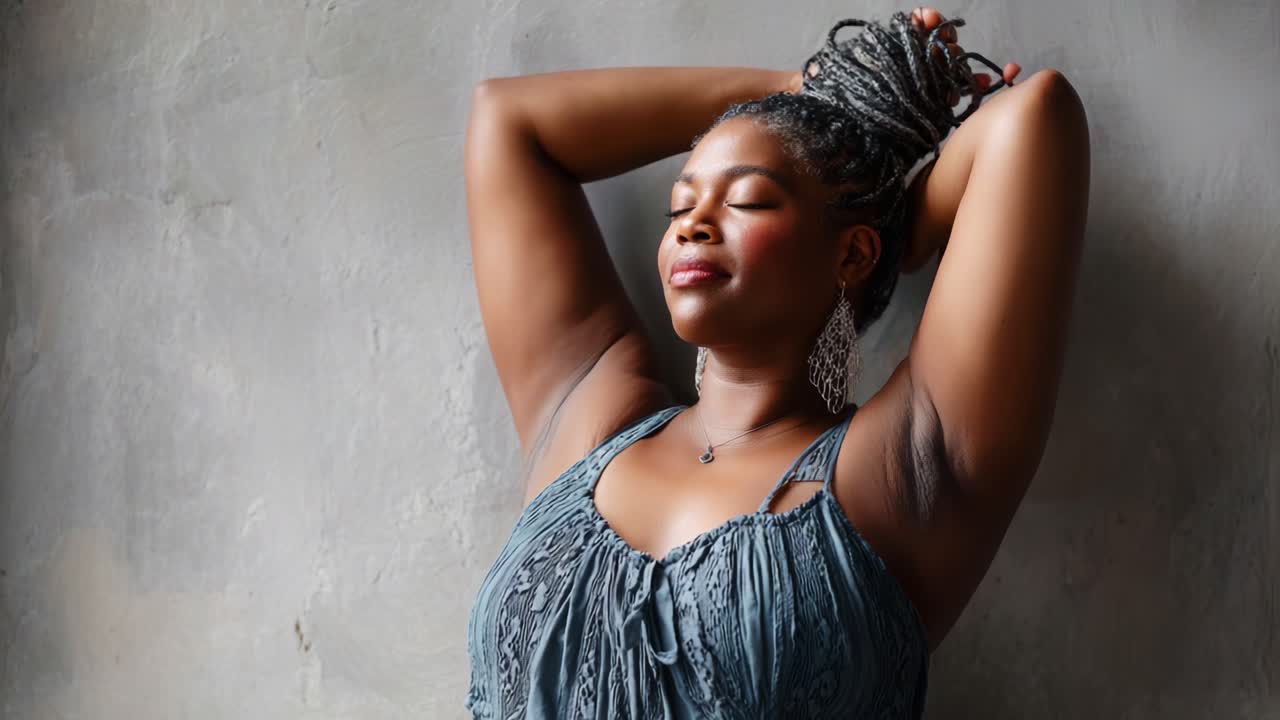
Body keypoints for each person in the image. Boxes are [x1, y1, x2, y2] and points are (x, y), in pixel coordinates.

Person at [462, 6, 1089, 718]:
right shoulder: (588, 419)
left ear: (851, 254)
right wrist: (805, 87)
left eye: (748, 199)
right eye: (681, 207)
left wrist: (902, 225)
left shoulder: (896, 471)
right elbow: (506, 119)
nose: (694, 223)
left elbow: (1033, 118)